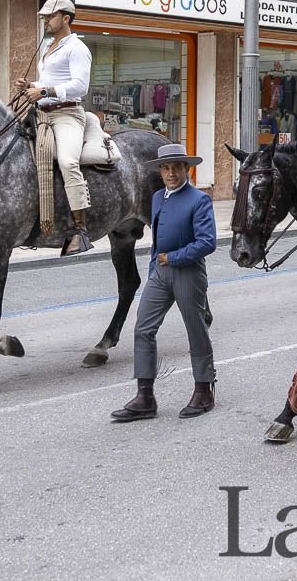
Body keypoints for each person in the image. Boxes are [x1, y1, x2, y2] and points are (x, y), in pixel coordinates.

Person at [112, 143, 217, 422]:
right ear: (160, 171)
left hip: (188, 272)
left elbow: (207, 242)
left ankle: (204, 389)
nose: (171, 173)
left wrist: (174, 258)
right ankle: (145, 396)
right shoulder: (158, 197)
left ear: (186, 169)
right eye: (166, 168)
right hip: (159, 272)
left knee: (195, 329)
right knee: (143, 327)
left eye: (176, 167)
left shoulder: (199, 199)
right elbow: (156, 238)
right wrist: (153, 269)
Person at [16, 0, 94, 257]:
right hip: (42, 113)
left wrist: (45, 89)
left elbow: (80, 86)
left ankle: (80, 230)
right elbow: (49, 80)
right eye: (44, 18)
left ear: (66, 19)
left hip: (67, 115)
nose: (45, 21)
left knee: (68, 162)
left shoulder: (77, 48)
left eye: (50, 17)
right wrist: (30, 86)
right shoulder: (50, 46)